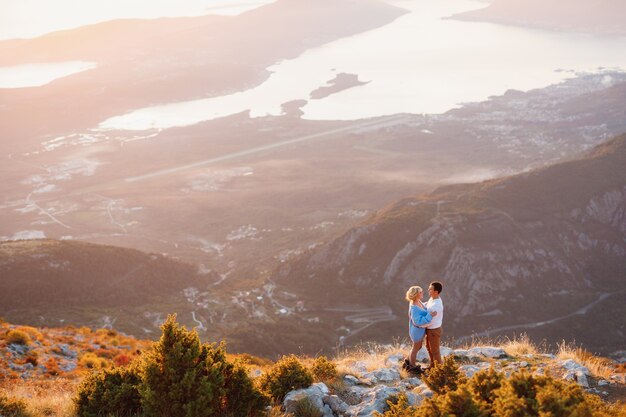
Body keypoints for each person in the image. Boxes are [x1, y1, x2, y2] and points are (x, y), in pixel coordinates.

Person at [403, 286, 437, 374]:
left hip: (419, 331)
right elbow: (417, 321)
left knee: (418, 347)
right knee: (415, 348)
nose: (422, 293)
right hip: (416, 331)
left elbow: (424, 307)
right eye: (420, 292)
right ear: (416, 294)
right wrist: (430, 316)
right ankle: (413, 367)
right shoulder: (414, 307)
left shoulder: (418, 301)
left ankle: (407, 362)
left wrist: (431, 304)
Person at [424, 281, 444, 367]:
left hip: (433, 330)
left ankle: (439, 370)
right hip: (430, 329)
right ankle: (432, 366)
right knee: (429, 348)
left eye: (431, 289)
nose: (428, 289)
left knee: (435, 351)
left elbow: (430, 320)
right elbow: (426, 306)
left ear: (436, 291)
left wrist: (419, 324)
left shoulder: (436, 305)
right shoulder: (432, 299)